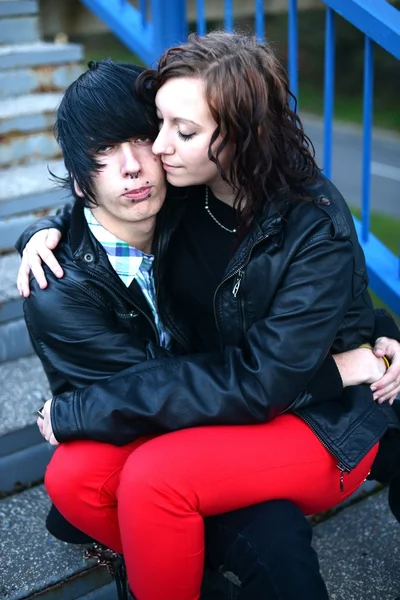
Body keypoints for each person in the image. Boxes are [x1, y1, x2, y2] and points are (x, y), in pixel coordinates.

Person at [16, 36, 400, 600]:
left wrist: (83, 409)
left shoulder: (308, 226)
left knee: (159, 482)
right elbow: (101, 196)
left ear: (245, 137)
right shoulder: (186, 190)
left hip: (320, 418)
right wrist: (42, 230)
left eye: (178, 132)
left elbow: (265, 377)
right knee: (72, 479)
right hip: (239, 400)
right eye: (160, 124)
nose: (158, 151)